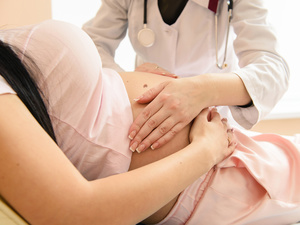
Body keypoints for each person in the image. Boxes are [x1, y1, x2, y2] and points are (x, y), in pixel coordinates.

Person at [0, 20, 299, 225]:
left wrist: (117, 78)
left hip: (226, 154)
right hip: (213, 179)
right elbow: (72, 212)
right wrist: (206, 149)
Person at [83, 0, 290, 153]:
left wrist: (204, 90)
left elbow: (273, 69)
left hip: (212, 121)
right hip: (146, 114)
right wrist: (127, 80)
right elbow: (90, 43)